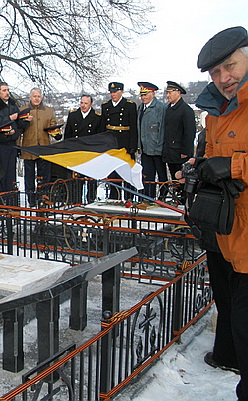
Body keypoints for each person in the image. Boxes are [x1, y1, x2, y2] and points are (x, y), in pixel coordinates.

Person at [178, 26, 248, 401]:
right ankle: (227, 356)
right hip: (224, 230)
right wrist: (201, 166)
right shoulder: (215, 112)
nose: (224, 78)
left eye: (230, 66)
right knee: (233, 317)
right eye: (215, 73)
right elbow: (217, 158)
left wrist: (232, 167)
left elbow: (233, 164)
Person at [0, 81, 31, 192]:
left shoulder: (13, 105)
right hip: (1, 145)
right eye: (4, 90)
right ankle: (1, 202)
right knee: (1, 174)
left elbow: (18, 124)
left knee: (11, 174)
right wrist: (9, 119)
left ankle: (11, 199)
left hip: (12, 144)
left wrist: (25, 121)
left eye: (8, 90)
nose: (7, 93)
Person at [100, 82, 137, 199]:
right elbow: (103, 127)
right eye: (111, 92)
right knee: (113, 173)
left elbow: (133, 128)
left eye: (115, 92)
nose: (113, 94)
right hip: (111, 143)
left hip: (125, 142)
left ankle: (128, 198)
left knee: (126, 172)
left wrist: (133, 146)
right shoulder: (105, 106)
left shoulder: (130, 105)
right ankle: (113, 197)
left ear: (121, 91)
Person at [19, 88, 56, 207]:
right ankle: (31, 199)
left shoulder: (48, 111)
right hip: (28, 147)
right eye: (34, 96)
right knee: (29, 176)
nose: (36, 98)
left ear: (42, 97)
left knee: (44, 176)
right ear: (30, 97)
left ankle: (43, 198)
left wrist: (56, 132)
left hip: (44, 147)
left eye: (38, 96)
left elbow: (53, 125)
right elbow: (19, 128)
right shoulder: (23, 110)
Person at [64, 94, 101, 203]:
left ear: (91, 104)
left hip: (90, 153)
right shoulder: (73, 115)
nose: (83, 106)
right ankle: (76, 202)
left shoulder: (97, 117)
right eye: (81, 103)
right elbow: (68, 135)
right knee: (76, 181)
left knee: (91, 180)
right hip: (76, 152)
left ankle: (91, 201)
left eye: (86, 103)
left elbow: (99, 138)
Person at [137, 82, 167, 198]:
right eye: (142, 95)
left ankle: (163, 197)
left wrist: (159, 146)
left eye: (146, 95)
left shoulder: (160, 108)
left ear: (153, 94)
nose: (143, 97)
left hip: (157, 149)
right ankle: (148, 197)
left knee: (161, 176)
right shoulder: (140, 108)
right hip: (145, 149)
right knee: (147, 175)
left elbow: (162, 129)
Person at [162, 81, 196, 180]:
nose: (168, 95)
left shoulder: (186, 110)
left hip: (180, 154)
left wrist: (185, 151)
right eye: (167, 93)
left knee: (182, 180)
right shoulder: (168, 109)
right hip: (170, 153)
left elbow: (189, 133)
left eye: (170, 93)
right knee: (174, 180)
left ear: (178, 92)